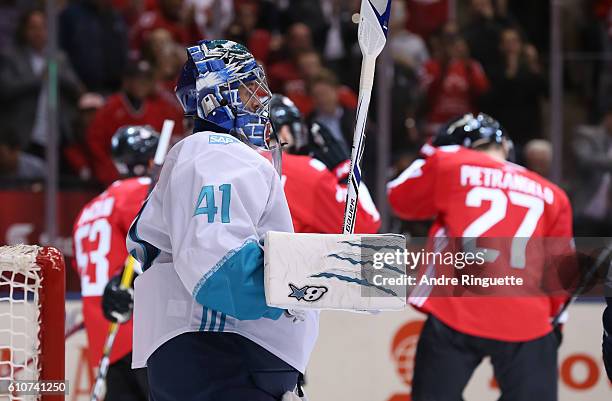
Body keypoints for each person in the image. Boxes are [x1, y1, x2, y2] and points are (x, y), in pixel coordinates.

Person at [126, 40, 318, 401]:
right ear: (215, 99)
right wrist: (309, 284)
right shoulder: (214, 151)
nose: (260, 102)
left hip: (215, 359)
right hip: (216, 351)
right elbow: (219, 269)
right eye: (247, 91)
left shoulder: (212, 156)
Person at [387, 113, 573, 401]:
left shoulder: (450, 164)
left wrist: (431, 152)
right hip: (527, 319)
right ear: (507, 147)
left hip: (456, 310)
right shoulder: (552, 193)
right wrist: (555, 323)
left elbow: (400, 199)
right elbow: (562, 272)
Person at [72, 126, 159, 401]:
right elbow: (155, 244)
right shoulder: (139, 193)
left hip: (105, 332)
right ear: (150, 161)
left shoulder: (88, 210)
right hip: (139, 326)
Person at [269, 94, 380, 234]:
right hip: (286, 255)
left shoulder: (237, 163)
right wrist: (345, 171)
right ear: (285, 132)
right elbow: (365, 225)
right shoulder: (305, 170)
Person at [86, 60, 183, 186]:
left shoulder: (159, 109)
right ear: (127, 81)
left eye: (146, 79)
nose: (143, 83)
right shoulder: (111, 108)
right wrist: (111, 173)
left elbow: (170, 141)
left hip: (149, 179)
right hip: (115, 179)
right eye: (139, 79)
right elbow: (95, 142)